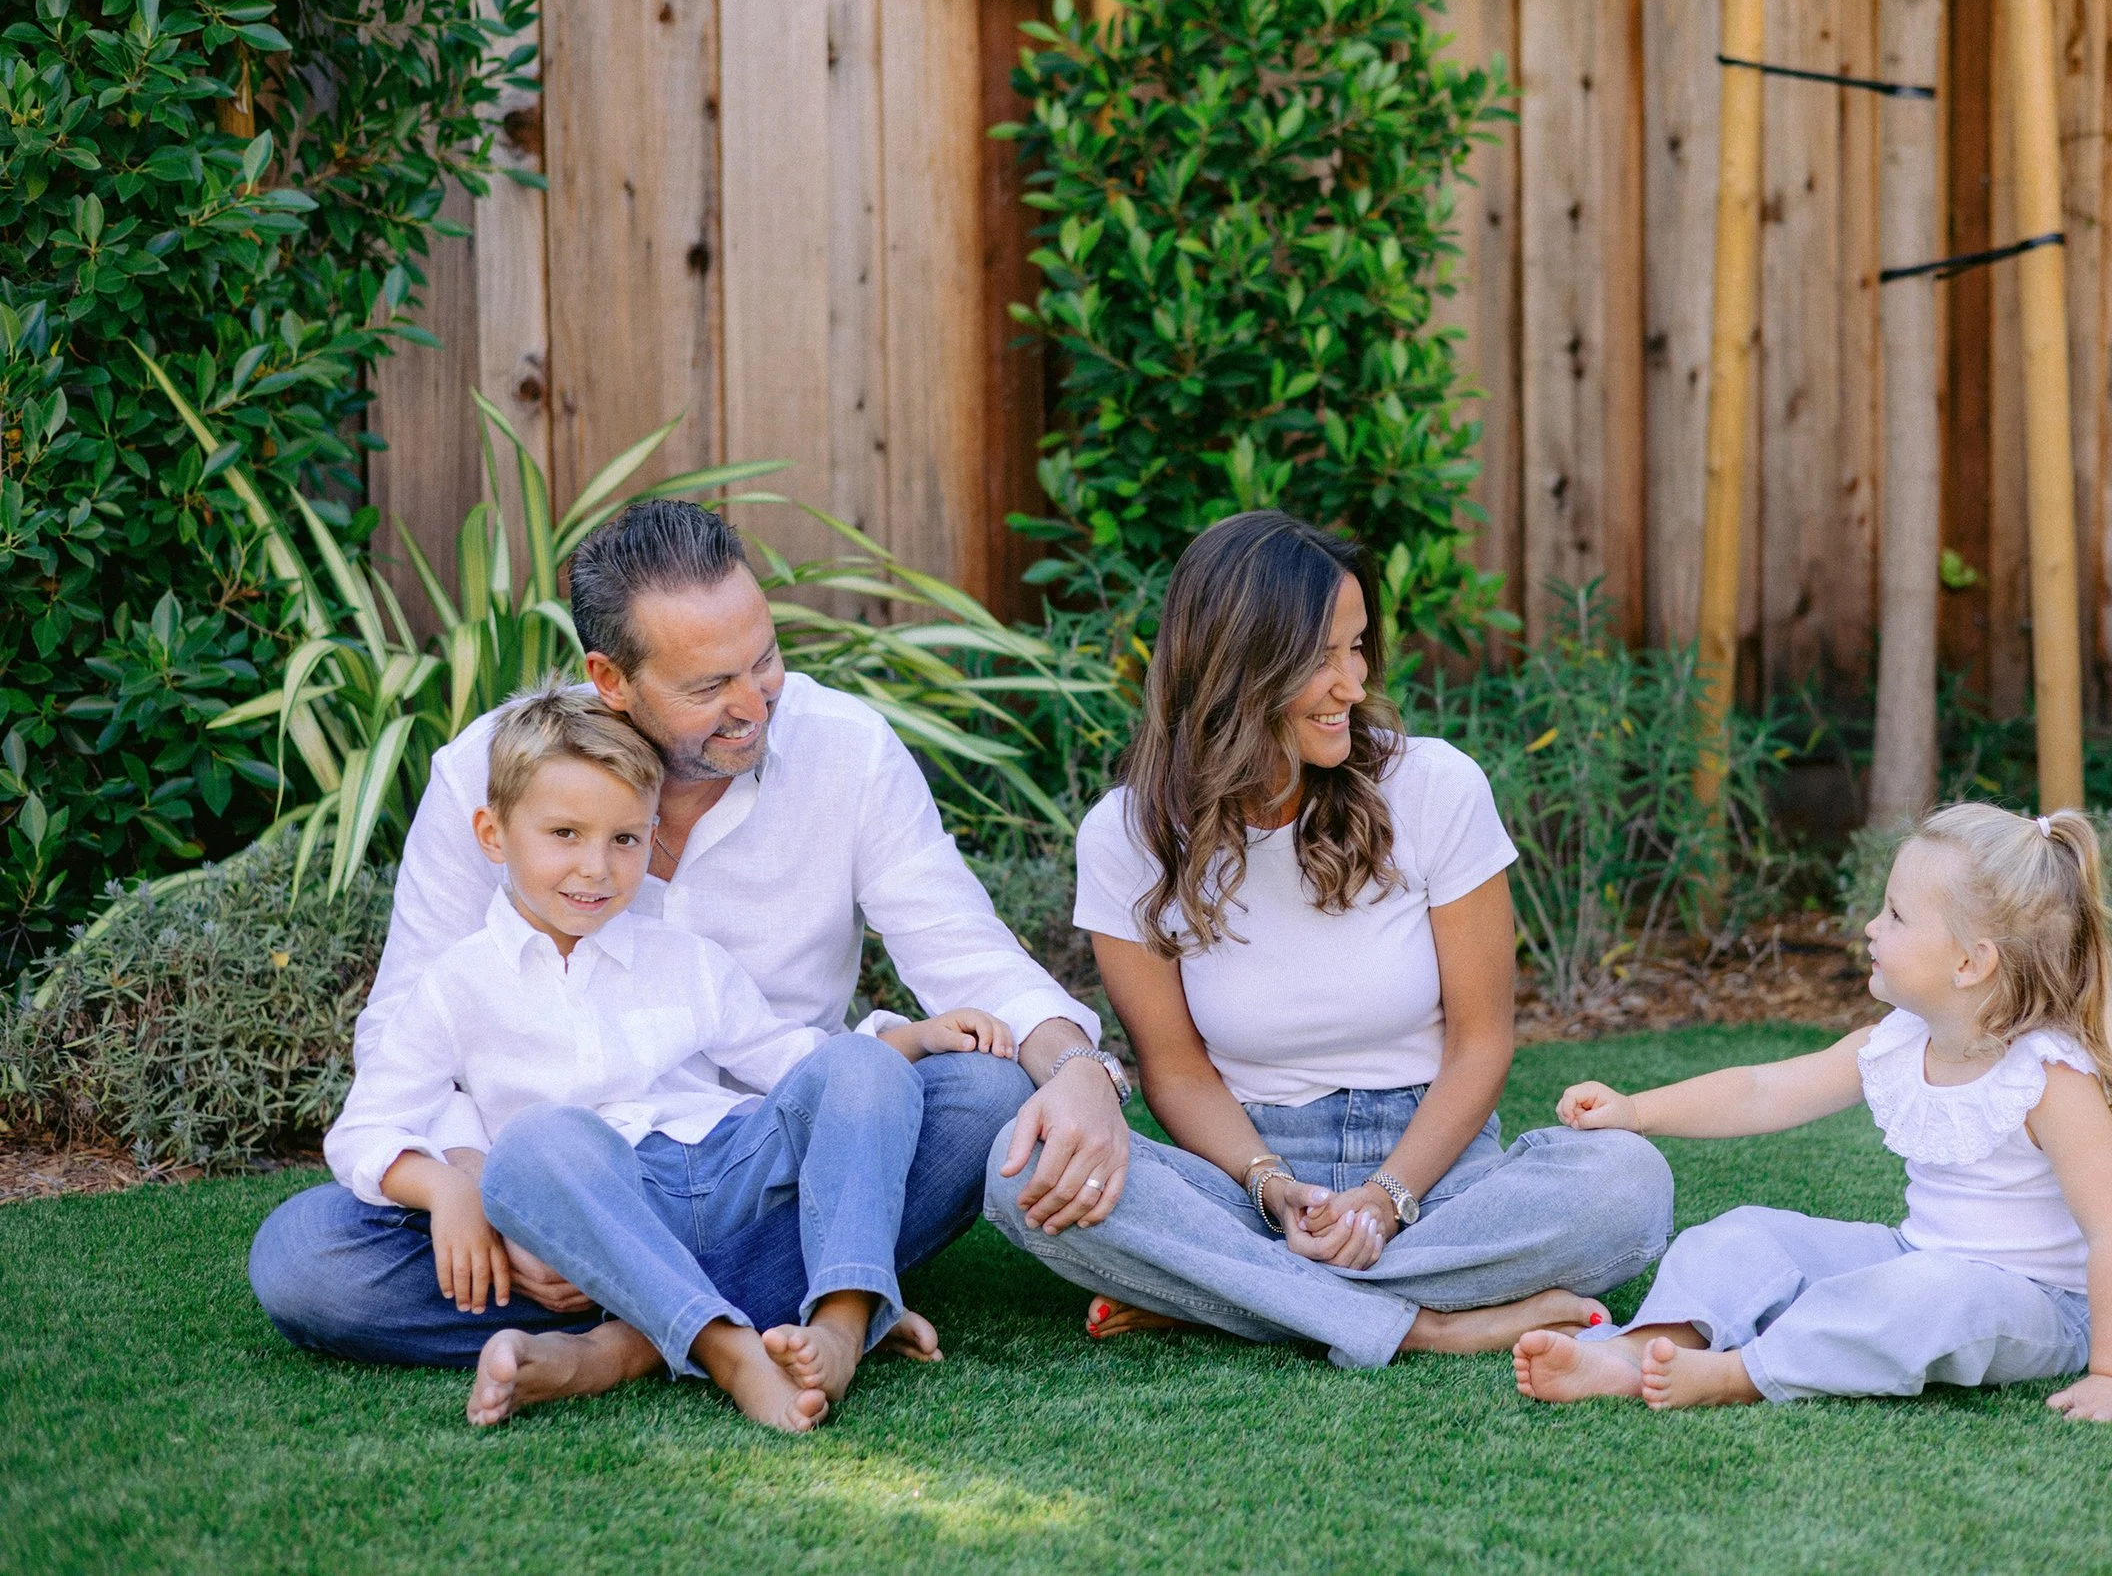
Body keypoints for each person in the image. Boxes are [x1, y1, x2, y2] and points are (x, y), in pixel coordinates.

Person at [251, 501, 1131, 1393]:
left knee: (981, 1091)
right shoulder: (492, 774)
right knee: (305, 1259)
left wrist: (1077, 1067)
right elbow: (404, 1036)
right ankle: (806, 1295)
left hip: (769, 1168)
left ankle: (629, 1341)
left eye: (766, 660)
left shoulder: (847, 750)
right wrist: (485, 1196)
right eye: (710, 687)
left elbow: (964, 956)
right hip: (557, 1183)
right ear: (611, 678)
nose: (754, 705)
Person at [985, 510, 1675, 1367]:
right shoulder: (1125, 836)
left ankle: (1232, 1294)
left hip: (1437, 1171)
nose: (1352, 683)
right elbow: (1175, 1068)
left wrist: (1386, 1201)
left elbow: (1481, 1045)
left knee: (1629, 1186)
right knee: (1021, 1175)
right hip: (1250, 1176)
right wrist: (1272, 1185)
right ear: (1239, 666)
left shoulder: (1433, 786)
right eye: (1323, 657)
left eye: (1357, 649)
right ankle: (1429, 1323)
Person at [329, 683, 1021, 1429]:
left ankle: (842, 1317)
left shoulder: (686, 959)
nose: (596, 867)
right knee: (527, 1147)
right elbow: (364, 1128)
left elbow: (797, 1065)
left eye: (625, 839)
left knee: (867, 1067)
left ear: (650, 836)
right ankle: (724, 1344)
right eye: (565, 834)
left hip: (725, 1171)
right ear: (493, 835)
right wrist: (447, 1188)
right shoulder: (454, 985)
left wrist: (906, 1041)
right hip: (598, 1206)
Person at [1513, 802, 2112, 1423]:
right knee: (1746, 1233)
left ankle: (1742, 1373)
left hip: (2036, 1306)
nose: (1873, 926)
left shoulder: (2049, 1079)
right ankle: (1638, 1349)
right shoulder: (1903, 1041)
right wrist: (1635, 1110)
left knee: (1930, 1295)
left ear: (1970, 962)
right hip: (1915, 1257)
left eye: (1897, 915)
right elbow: (1764, 1090)